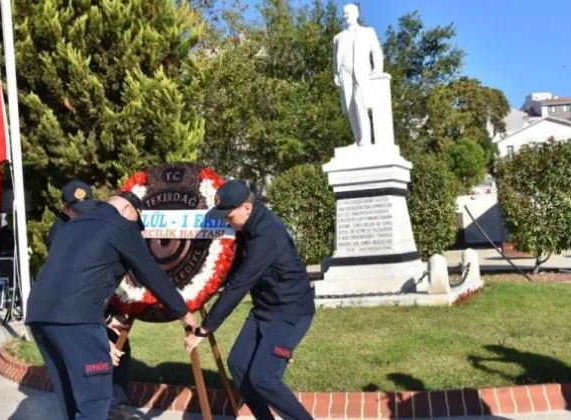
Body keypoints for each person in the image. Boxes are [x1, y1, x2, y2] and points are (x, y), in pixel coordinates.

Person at [26, 191, 196, 420]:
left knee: (71, 396)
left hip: (39, 317)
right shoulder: (121, 226)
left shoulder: (71, 227)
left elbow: (77, 277)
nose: (135, 228)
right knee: (94, 401)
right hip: (77, 321)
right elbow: (150, 272)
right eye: (136, 221)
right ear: (127, 210)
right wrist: (182, 312)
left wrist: (101, 325)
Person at [185, 180, 316, 420]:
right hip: (265, 310)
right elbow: (235, 271)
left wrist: (204, 329)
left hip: (291, 313)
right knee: (238, 364)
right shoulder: (248, 226)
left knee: (264, 378)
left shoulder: (267, 235)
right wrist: (204, 289)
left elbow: (240, 285)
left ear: (246, 207)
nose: (226, 220)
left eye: (229, 215)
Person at [332, 3, 383, 146]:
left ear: (356, 14)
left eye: (347, 13)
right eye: (344, 13)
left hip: (362, 73)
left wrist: (377, 70)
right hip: (345, 74)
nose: (345, 16)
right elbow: (335, 59)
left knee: (360, 104)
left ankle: (365, 140)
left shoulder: (367, 32)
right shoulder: (338, 37)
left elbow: (376, 52)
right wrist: (336, 74)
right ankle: (358, 139)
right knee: (350, 107)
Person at [45, 180, 100, 249]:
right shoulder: (58, 239)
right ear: (65, 209)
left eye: (90, 209)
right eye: (80, 212)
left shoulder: (102, 209)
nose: (87, 215)